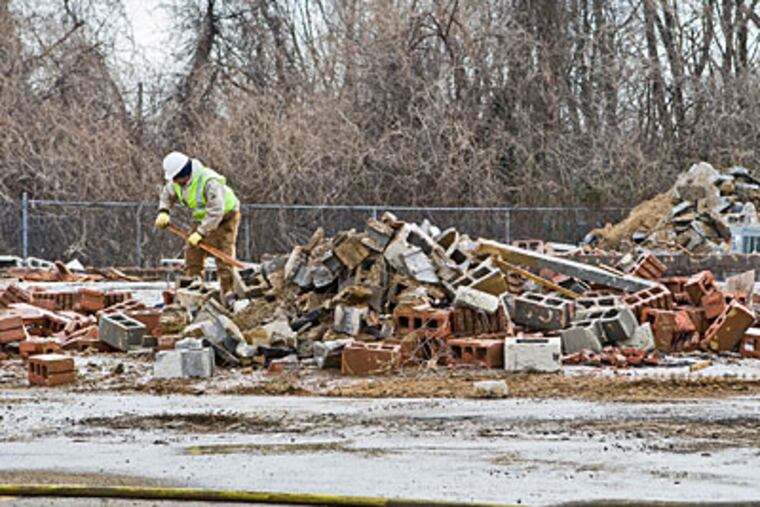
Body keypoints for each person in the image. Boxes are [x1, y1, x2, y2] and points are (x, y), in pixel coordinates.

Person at [154, 151, 240, 296]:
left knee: (223, 256)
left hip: (225, 215)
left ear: (185, 174)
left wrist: (201, 233)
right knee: (192, 252)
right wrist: (164, 211)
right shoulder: (176, 183)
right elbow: (166, 195)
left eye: (176, 178)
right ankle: (193, 291)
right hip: (202, 217)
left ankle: (229, 295)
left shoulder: (209, 181)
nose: (174, 182)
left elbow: (216, 211)